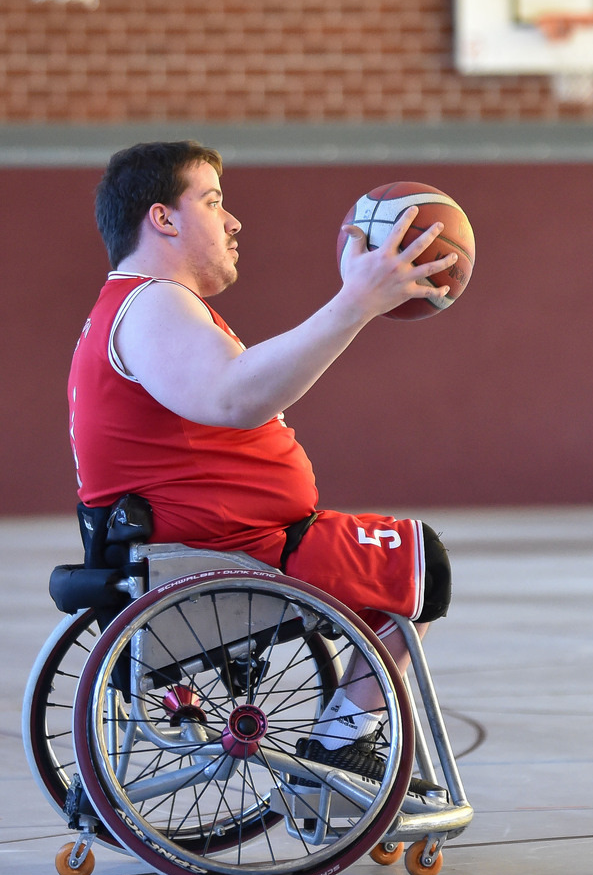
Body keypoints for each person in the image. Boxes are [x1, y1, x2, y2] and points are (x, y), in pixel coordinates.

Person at [68, 140, 457, 786]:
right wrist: (355, 302)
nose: (233, 221)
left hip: (216, 545)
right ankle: (340, 742)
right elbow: (235, 395)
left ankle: (343, 736)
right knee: (422, 564)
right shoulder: (152, 302)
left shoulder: (139, 307)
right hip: (232, 552)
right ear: (163, 218)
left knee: (386, 589)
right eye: (213, 201)